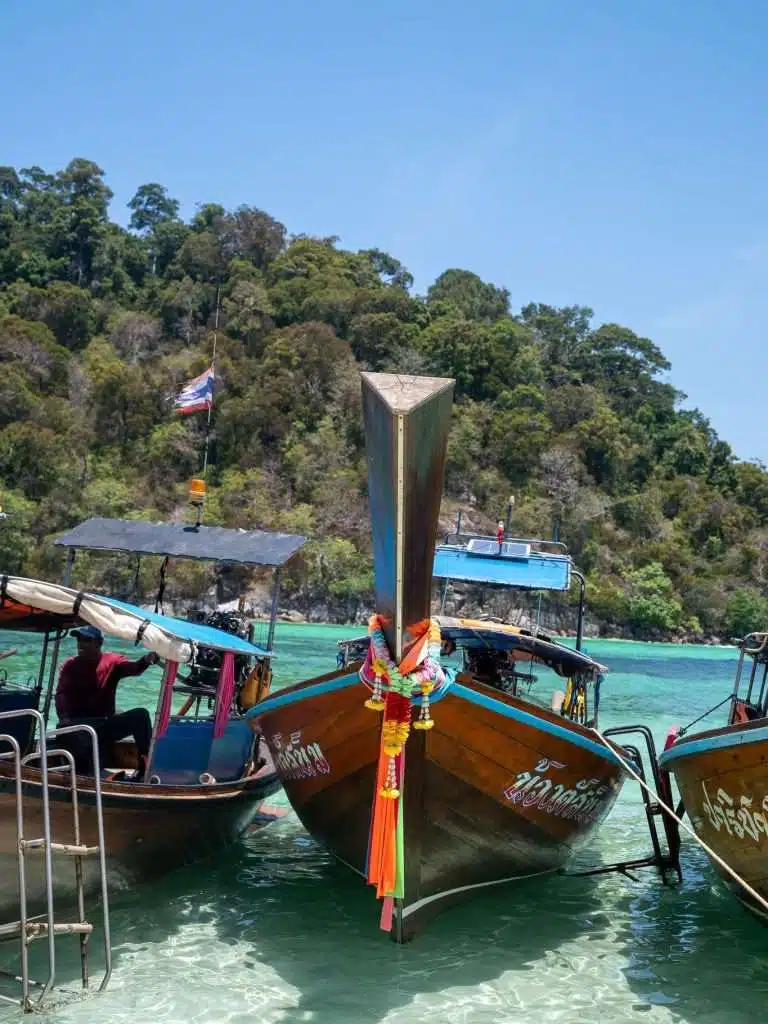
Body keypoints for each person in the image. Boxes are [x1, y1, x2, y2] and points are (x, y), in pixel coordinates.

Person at [55, 625, 160, 779]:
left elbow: (133, 668)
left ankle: (144, 767)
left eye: (86, 640)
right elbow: (60, 695)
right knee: (69, 732)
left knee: (141, 715)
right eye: (79, 639)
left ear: (99, 643)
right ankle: (86, 775)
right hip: (78, 725)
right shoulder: (69, 665)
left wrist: (145, 660)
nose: (81, 644)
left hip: (103, 724)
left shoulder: (112, 661)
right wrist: (64, 718)